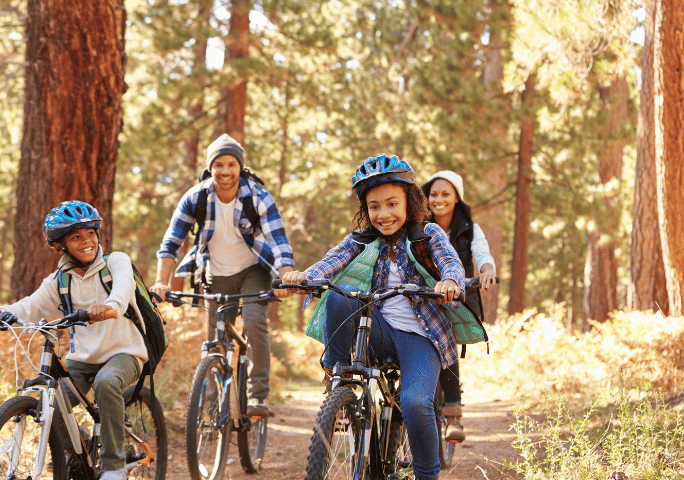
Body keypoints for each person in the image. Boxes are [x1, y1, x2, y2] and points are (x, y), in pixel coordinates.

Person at [282, 154, 465, 480]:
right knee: (341, 291)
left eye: (392, 204)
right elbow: (330, 263)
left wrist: (449, 280)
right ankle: (340, 381)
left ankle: (427, 475)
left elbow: (449, 261)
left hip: (420, 336)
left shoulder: (428, 233)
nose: (383, 214)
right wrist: (304, 278)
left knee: (414, 404)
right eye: (374, 206)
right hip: (379, 329)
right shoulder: (362, 238)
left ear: (409, 202)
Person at [0, 200, 146, 480]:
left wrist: (110, 307)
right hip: (82, 358)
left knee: (107, 382)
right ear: (61, 245)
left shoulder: (115, 262)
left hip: (125, 352)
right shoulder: (60, 280)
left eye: (90, 233)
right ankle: (81, 445)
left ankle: (114, 467)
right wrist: (2, 313)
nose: (86, 241)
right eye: (75, 237)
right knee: (51, 402)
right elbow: (31, 306)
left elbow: (123, 288)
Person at [150, 133, 294, 417]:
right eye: (218, 164)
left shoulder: (258, 196)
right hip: (215, 273)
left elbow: (278, 241)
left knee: (254, 321)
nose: (225, 171)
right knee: (215, 343)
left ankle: (258, 396)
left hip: (254, 270)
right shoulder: (195, 198)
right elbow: (171, 243)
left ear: (240, 166)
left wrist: (285, 276)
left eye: (231, 164)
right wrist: (161, 282)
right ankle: (215, 408)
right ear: (210, 167)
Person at [422, 171, 497, 443]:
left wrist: (487, 271)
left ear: (457, 199)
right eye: (433, 194)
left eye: (445, 194)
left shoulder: (470, 229)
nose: (438, 199)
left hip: (455, 298)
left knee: (446, 337)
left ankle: (453, 414)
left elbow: (483, 255)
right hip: (420, 294)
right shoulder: (417, 224)